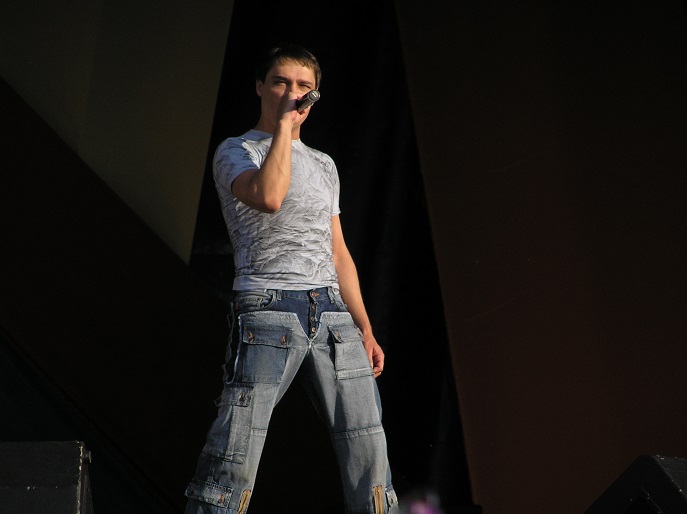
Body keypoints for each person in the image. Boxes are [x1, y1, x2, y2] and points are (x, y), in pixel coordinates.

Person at [184, 44, 399, 514]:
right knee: (236, 450)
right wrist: (283, 128)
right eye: (281, 82)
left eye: (303, 86)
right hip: (269, 308)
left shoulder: (323, 163)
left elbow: (337, 251)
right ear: (261, 87)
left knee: (368, 448)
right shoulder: (237, 150)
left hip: (333, 313)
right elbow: (269, 197)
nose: (292, 93)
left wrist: (364, 326)